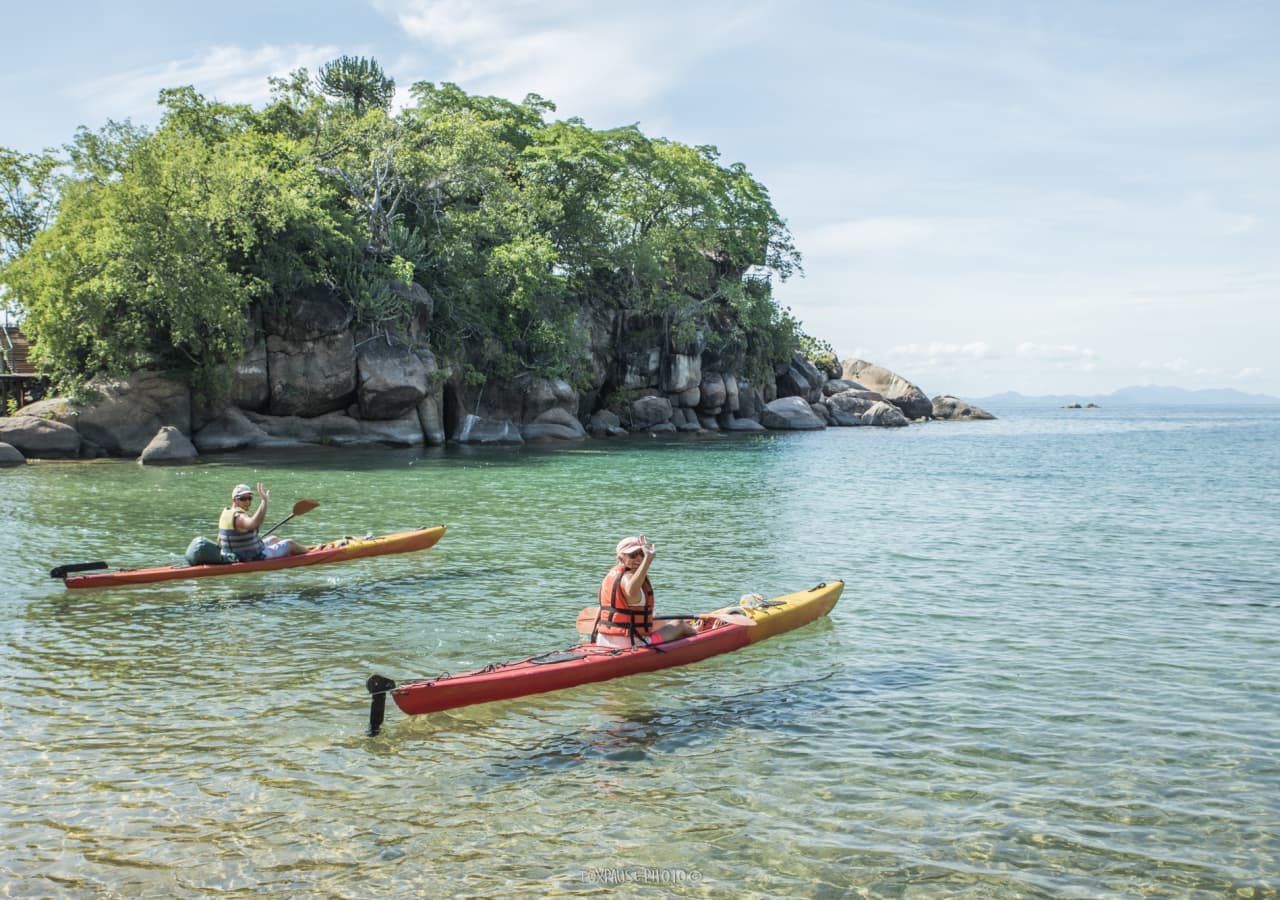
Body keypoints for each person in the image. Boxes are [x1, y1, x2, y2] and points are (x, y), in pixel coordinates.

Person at [594, 535, 699, 648]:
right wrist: (648, 559)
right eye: (633, 555)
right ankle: (699, 633)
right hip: (631, 643)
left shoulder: (609, 578)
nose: (639, 558)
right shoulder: (629, 580)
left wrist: (593, 637)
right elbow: (630, 591)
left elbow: (601, 612)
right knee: (679, 624)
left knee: (656, 618)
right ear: (620, 558)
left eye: (642, 553)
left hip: (602, 640)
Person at [217, 483, 306, 562]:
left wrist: (250, 541)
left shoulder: (226, 513)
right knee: (290, 543)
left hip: (231, 554)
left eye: (249, 498)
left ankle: (289, 552)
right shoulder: (240, 517)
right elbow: (254, 524)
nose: (247, 502)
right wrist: (264, 502)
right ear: (234, 500)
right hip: (251, 557)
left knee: (273, 539)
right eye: (243, 498)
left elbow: (219, 539)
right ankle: (311, 553)